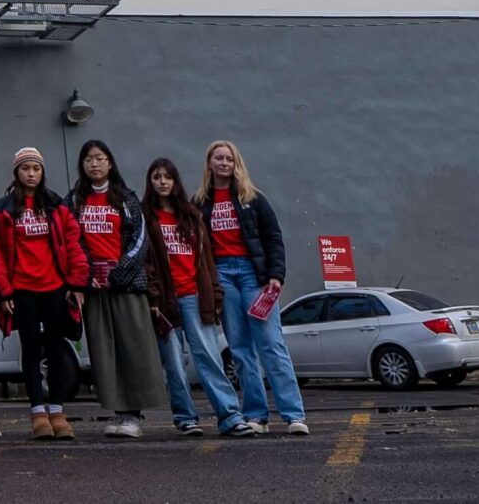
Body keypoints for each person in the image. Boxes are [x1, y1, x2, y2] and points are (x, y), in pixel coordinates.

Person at [202, 139, 308, 436]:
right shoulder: (201, 203)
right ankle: (256, 416)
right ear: (209, 163)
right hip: (223, 275)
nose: (224, 163)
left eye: (229, 158)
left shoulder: (254, 198)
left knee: (271, 344)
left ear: (236, 164)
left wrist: (276, 275)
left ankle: (293, 414)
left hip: (254, 275)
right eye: (218, 158)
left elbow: (273, 237)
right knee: (239, 349)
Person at [68, 138, 168, 440]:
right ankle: (117, 411)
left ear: (110, 162)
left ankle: (134, 414)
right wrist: (85, 277)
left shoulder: (126, 199)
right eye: (88, 159)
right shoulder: (74, 200)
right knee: (104, 350)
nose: (93, 164)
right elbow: (70, 241)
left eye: (99, 158)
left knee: (132, 348)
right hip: (94, 289)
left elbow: (139, 243)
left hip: (124, 287)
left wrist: (117, 274)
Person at [0, 146, 86, 441]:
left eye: (36, 168)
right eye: (25, 168)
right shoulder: (3, 209)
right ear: (16, 172)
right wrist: (3, 292)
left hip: (55, 288)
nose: (31, 174)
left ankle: (57, 411)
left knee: (57, 350)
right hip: (22, 292)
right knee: (31, 352)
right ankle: (38, 414)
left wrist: (77, 284)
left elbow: (73, 244)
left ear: (42, 172)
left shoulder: (58, 205)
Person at [146, 156, 245, 438]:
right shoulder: (146, 217)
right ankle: (185, 417)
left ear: (176, 181)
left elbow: (207, 261)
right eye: (156, 177)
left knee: (209, 358)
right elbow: (147, 264)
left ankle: (229, 416)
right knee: (174, 363)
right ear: (150, 182)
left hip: (194, 295)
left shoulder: (191, 215)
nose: (162, 181)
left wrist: (214, 294)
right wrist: (153, 297)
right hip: (165, 300)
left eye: (168, 176)